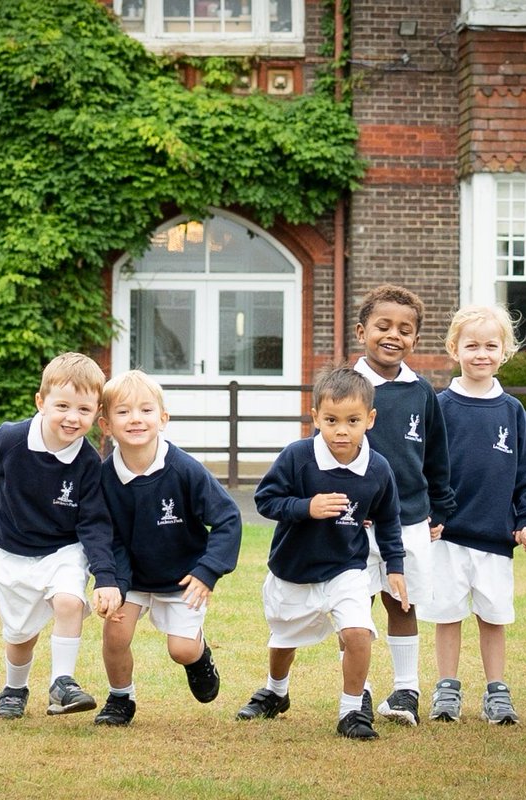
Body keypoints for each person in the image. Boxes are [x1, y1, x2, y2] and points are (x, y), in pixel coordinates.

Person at [237, 366, 406, 740]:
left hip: (346, 569)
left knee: (358, 633)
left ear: (370, 420)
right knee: (283, 639)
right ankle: (276, 692)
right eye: (330, 420)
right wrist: (305, 507)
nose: (341, 430)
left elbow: (389, 519)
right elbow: (265, 500)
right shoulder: (298, 456)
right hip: (293, 568)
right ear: (315, 417)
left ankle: (351, 712)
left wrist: (395, 565)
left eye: (352, 420)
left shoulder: (377, 468)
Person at [0, 352, 121, 720]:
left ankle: (63, 683)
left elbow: (94, 523)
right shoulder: (10, 439)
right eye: (62, 405)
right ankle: (15, 688)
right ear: (40, 402)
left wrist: (105, 577)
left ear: (97, 415)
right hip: (11, 551)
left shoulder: (88, 464)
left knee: (69, 601)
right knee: (19, 636)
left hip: (63, 549)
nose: (71, 417)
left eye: (83, 409)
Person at [93, 370, 242, 726]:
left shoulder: (185, 470)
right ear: (105, 424)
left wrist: (206, 572)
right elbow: (104, 535)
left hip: (181, 576)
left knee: (181, 650)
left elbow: (228, 519)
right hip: (130, 577)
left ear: (163, 418)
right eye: (123, 412)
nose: (135, 419)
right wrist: (112, 582)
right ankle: (120, 699)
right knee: (115, 633)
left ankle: (200, 654)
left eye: (146, 410)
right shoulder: (102, 478)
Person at [423, 305, 526, 725]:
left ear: (505, 351)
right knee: (448, 615)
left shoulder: (512, 411)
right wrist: (427, 513)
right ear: (454, 349)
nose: (481, 354)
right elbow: (425, 467)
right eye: (471, 345)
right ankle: (447, 690)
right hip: (448, 536)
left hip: (496, 537)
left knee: (493, 618)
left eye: (491, 345)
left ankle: (497, 692)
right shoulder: (439, 407)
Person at [353, 284, 456, 726]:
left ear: (415, 339)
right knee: (355, 608)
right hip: (354, 522)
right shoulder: (347, 387)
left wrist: (440, 509)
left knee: (403, 603)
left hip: (410, 519)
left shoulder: (422, 392)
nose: (393, 336)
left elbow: (436, 457)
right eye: (383, 326)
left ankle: (406, 691)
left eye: (406, 329)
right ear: (362, 332)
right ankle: (358, 692)